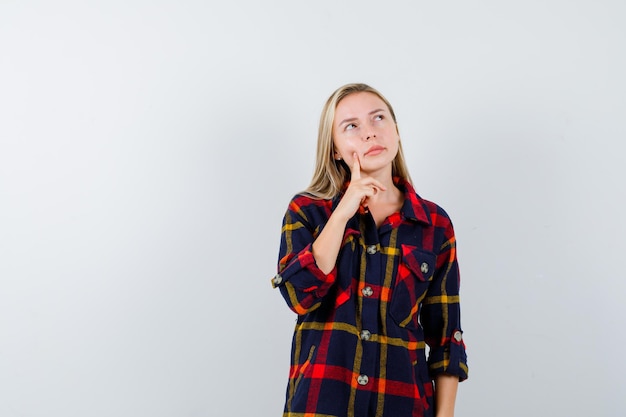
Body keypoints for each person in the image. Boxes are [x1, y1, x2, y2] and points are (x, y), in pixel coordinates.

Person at [271, 83, 468, 417]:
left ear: (396, 132)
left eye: (379, 119)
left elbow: (446, 338)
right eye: (352, 126)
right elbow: (299, 296)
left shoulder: (434, 225)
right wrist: (344, 211)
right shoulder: (308, 211)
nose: (369, 134)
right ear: (334, 149)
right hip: (320, 406)